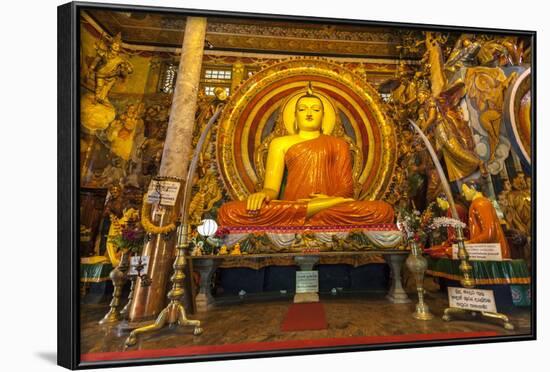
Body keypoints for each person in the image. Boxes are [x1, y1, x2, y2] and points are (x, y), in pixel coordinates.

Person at [217, 83, 394, 227]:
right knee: (229, 211)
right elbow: (271, 188)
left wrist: (330, 201)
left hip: (330, 209)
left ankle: (312, 210)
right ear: (295, 115)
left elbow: (346, 191)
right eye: (303, 109)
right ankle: (310, 210)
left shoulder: (339, 144)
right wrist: (263, 194)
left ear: (323, 116)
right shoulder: (279, 143)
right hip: (290, 208)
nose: (309, 113)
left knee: (382, 210)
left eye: (316, 109)